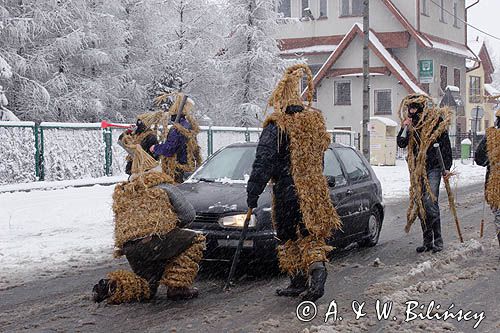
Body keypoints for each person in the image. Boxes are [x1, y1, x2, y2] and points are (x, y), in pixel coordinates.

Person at [246, 64, 341, 302]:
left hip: (289, 189)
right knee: (311, 233)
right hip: (314, 189)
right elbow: (320, 154)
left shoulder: (277, 125)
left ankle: (302, 278)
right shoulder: (313, 122)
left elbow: (263, 161)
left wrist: (253, 192)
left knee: (289, 233)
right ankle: (311, 276)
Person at [92, 146, 205, 304]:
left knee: (147, 287)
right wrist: (171, 224)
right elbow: (188, 215)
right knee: (196, 239)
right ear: (156, 171)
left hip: (131, 248)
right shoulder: (165, 187)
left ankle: (111, 287)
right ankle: (177, 287)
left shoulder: (125, 192)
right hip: (157, 241)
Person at [397, 94, 452, 253]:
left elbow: (445, 145)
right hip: (417, 169)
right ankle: (427, 240)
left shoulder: (435, 121)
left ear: (421, 108)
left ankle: (438, 240)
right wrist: (404, 127)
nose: (411, 111)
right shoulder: (411, 125)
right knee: (420, 203)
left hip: (434, 167)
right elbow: (401, 143)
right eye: (409, 108)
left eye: (414, 108)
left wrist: (446, 167)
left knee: (430, 201)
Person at [149, 93, 202, 183]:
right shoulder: (187, 125)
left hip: (178, 170)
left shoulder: (178, 128)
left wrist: (156, 148)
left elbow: (170, 149)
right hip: (188, 167)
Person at [474, 109, 500, 249]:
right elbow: (480, 159)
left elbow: (479, 158)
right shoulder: (491, 137)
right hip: (495, 185)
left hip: (494, 186)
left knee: (499, 217)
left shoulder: (491, 136)